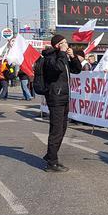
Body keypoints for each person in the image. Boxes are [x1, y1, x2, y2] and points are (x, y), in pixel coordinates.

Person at [42, 35, 82, 172]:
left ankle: (50, 154)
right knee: (56, 130)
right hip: (56, 96)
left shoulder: (62, 56)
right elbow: (57, 68)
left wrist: (73, 57)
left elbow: (77, 69)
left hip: (64, 96)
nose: (67, 45)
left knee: (63, 128)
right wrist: (63, 53)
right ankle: (51, 163)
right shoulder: (51, 57)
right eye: (64, 43)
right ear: (57, 45)